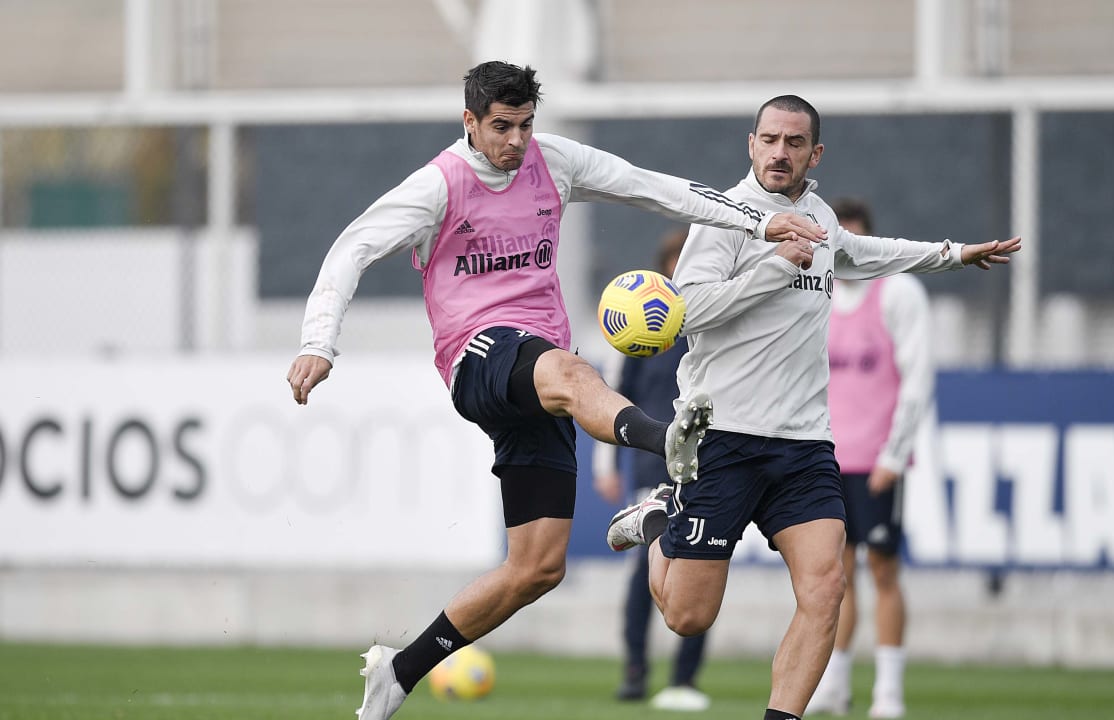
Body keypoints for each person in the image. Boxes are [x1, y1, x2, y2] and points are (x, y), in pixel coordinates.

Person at [285, 62, 827, 720]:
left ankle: (399, 674)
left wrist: (756, 223)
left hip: (536, 374)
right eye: (501, 127)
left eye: (526, 125)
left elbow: (654, 190)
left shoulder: (555, 161)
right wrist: (319, 342)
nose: (516, 141)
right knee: (572, 375)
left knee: (538, 567)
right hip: (478, 356)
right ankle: (666, 442)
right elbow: (352, 249)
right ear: (471, 123)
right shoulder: (438, 185)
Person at [605, 95, 1020, 720]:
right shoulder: (722, 217)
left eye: (793, 142)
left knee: (826, 587)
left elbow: (867, 255)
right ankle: (661, 518)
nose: (780, 152)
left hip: (803, 445)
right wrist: (774, 267)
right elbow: (685, 313)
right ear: (751, 143)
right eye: (769, 139)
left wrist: (952, 254)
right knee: (688, 617)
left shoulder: (821, 217)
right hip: (723, 438)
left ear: (814, 152)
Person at [805, 198, 931, 719]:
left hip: (876, 461)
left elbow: (917, 378)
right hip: (825, 460)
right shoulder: (816, 294)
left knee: (883, 569)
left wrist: (894, 455)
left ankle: (889, 692)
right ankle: (835, 686)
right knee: (835, 574)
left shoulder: (899, 293)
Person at [593, 228, 711, 712]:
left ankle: (684, 679)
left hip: (706, 464)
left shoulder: (709, 322)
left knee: (702, 566)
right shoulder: (640, 329)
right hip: (650, 465)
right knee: (645, 572)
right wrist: (606, 462)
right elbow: (613, 399)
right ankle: (636, 670)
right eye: (673, 263)